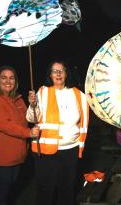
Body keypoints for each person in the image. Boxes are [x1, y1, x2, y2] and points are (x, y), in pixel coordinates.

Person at [27, 60, 89, 205]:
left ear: (67, 74)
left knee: (67, 190)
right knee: (45, 191)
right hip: (46, 152)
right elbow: (31, 118)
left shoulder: (79, 95)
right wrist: (33, 105)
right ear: (50, 75)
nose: (58, 73)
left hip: (70, 151)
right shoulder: (43, 92)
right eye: (55, 71)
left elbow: (84, 122)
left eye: (61, 70)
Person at [0, 65, 40, 205]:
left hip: (16, 159)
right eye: (4, 78)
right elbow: (4, 125)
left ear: (16, 82)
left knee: (7, 195)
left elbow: (29, 118)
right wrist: (28, 133)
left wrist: (33, 105)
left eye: (11, 78)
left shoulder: (18, 100)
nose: (8, 81)